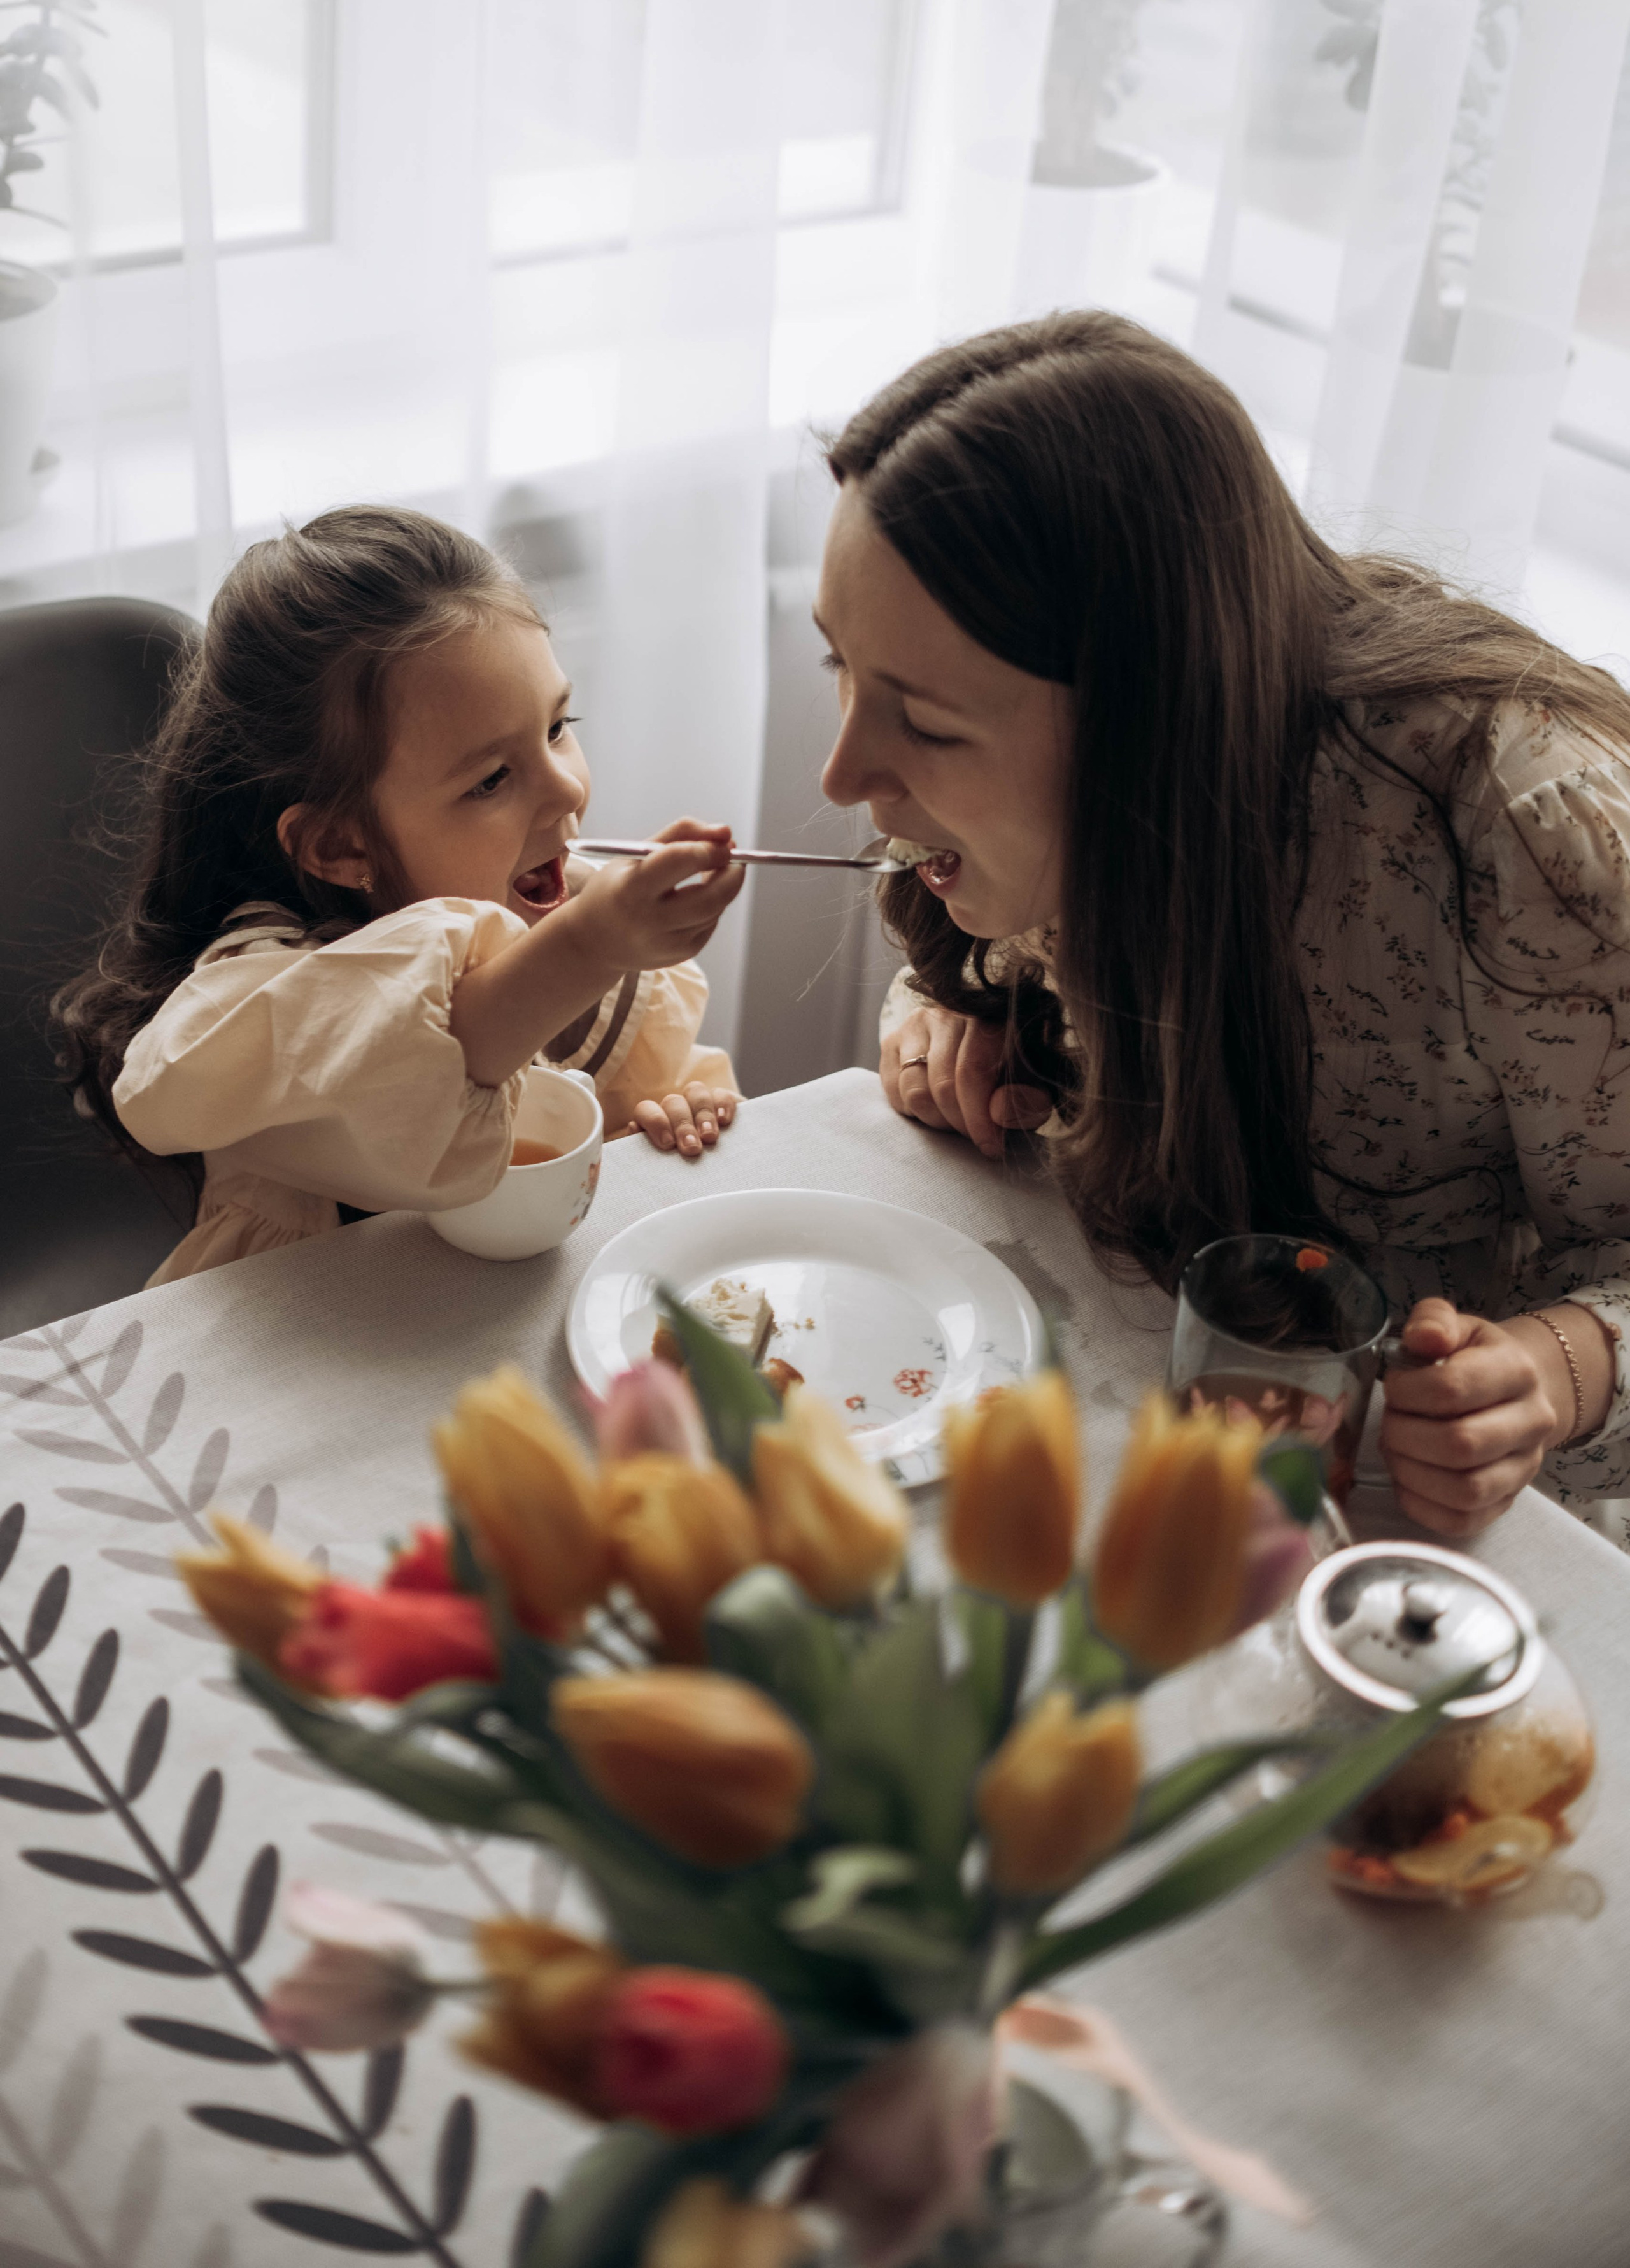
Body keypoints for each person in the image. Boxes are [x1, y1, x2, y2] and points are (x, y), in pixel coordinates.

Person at [815, 313, 1630, 1534]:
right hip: (1123, 1412)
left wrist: (1554, 1373)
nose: (841, 772)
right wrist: (948, 1014)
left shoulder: (1520, 825)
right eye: (839, 666)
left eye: (925, 724)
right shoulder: (1005, 805)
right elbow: (982, 965)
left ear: (1147, 718)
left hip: (1424, 1537)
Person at [53, 505, 744, 1284]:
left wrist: (676, 1108)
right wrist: (589, 948)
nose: (564, 791)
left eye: (557, 727)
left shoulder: (566, 907)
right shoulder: (265, 984)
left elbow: (643, 1098)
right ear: (342, 846)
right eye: (491, 779)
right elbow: (413, 1055)